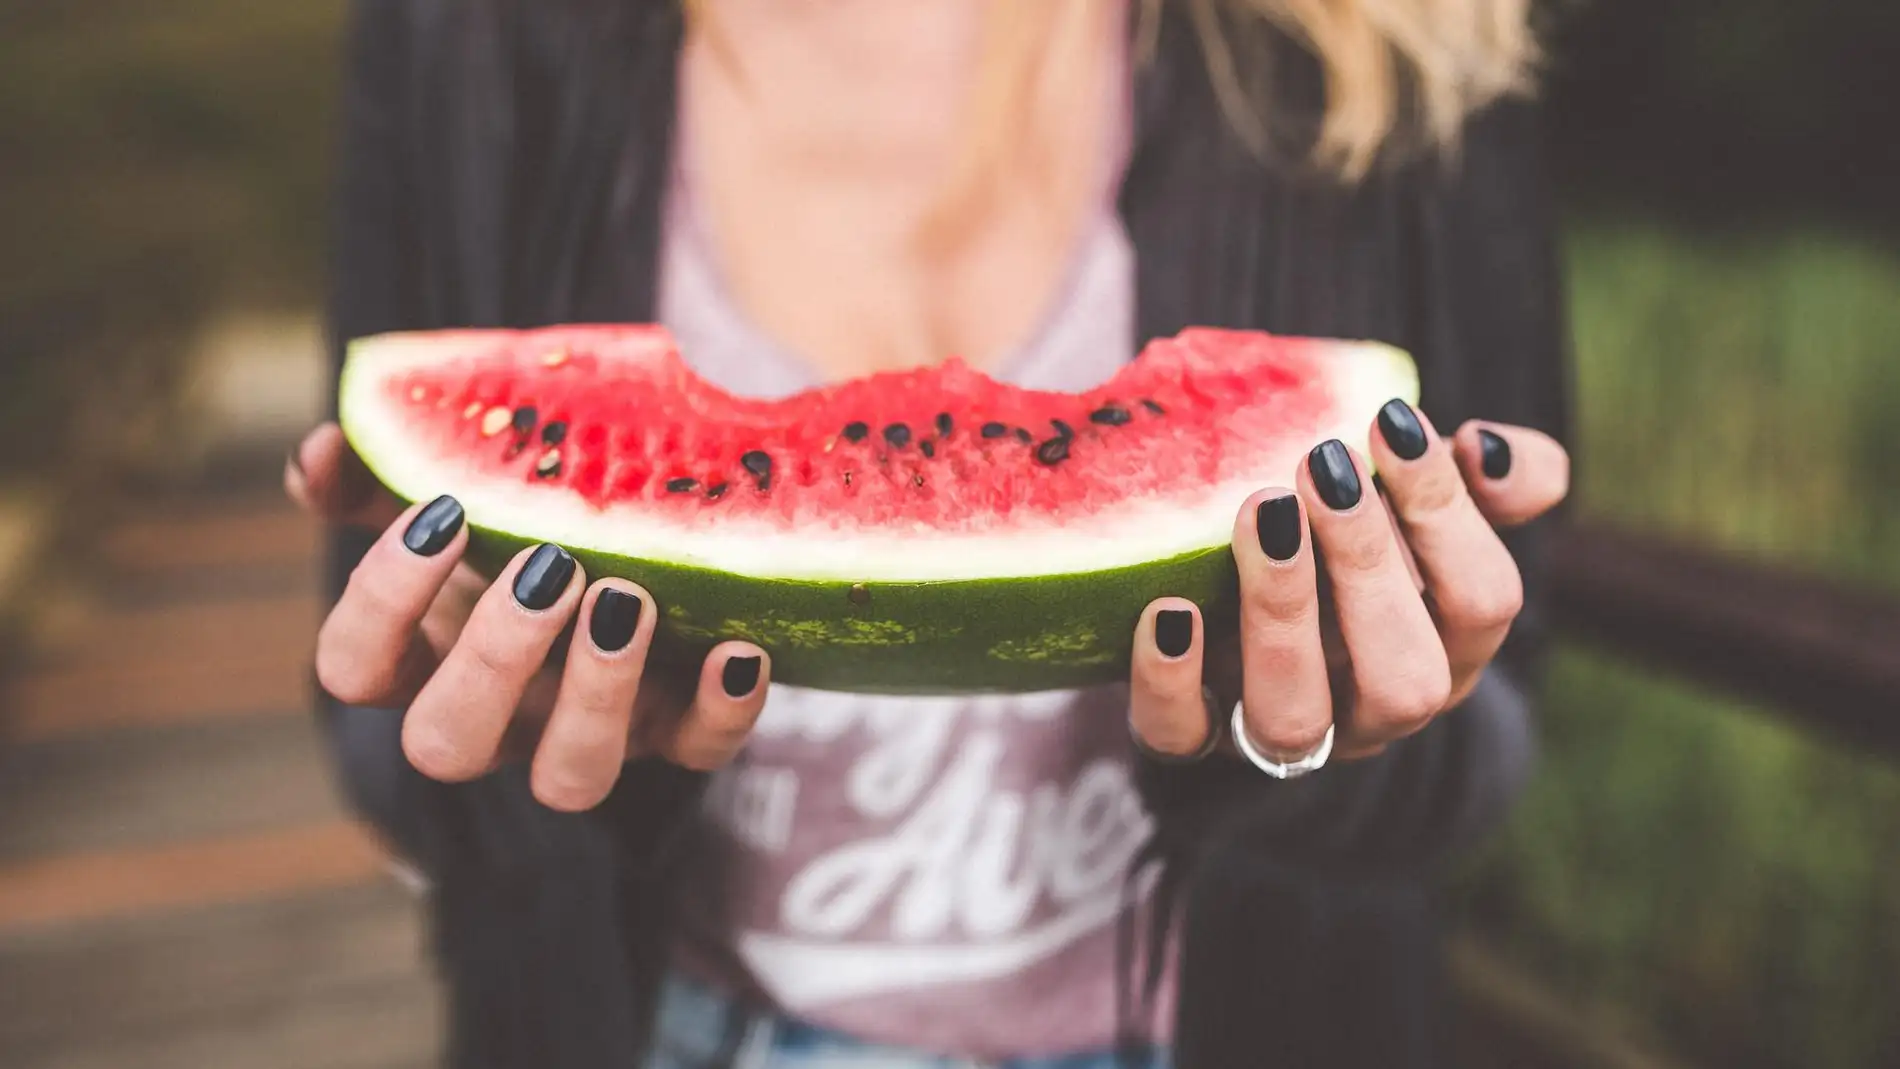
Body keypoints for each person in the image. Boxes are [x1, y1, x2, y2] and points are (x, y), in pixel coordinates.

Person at [286, 1, 1571, 1067]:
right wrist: (534, 754)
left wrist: (1291, 732)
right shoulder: (469, 37)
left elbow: (1493, 731)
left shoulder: (1397, 41)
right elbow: (374, 713)